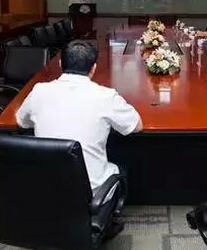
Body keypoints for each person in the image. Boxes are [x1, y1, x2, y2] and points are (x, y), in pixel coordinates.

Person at [16, 40, 143, 201]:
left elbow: (21, 122)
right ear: (94, 68)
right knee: (120, 168)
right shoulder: (105, 96)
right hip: (91, 191)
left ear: (60, 64)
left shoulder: (38, 91)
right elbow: (137, 126)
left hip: (45, 185)